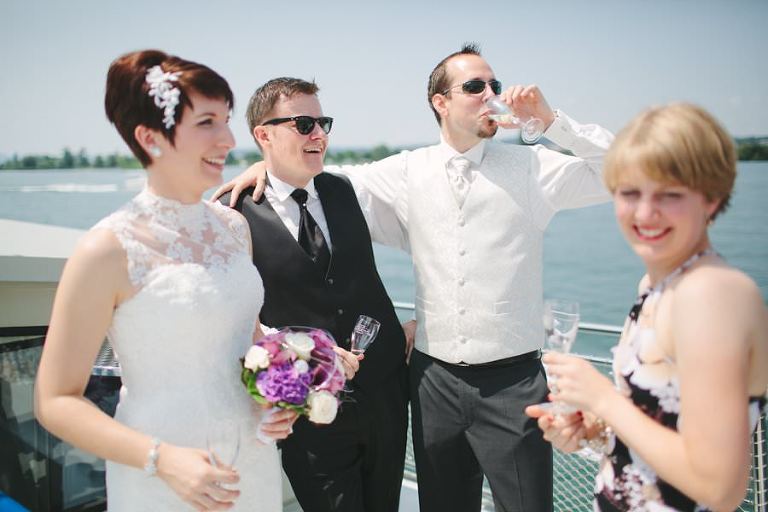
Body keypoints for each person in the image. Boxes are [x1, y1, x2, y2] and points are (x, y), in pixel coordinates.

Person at [213, 43, 615, 512]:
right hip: (431, 383)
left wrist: (551, 124)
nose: (491, 95)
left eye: (494, 86)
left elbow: (623, 172)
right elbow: (302, 177)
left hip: (514, 384)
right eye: (474, 86)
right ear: (440, 102)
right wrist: (265, 161)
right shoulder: (401, 173)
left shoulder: (534, 167)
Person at [33, 49, 303, 511]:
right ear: (149, 136)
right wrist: (163, 460)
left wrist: (277, 396)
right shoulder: (107, 249)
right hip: (163, 479)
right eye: (207, 123)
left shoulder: (233, 229)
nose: (228, 138)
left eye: (227, 120)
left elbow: (248, 341)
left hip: (250, 465)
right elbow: (55, 400)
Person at [526, 103, 768, 511]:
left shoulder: (713, 293)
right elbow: (656, 425)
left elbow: (720, 488)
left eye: (669, 195)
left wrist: (603, 399)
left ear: (712, 198)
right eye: (630, 192)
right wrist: (592, 430)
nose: (644, 212)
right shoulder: (655, 286)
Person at [217, 77, 410, 512]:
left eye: (323, 122)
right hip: (308, 411)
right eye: (304, 123)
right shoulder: (234, 214)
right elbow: (234, 320)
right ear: (264, 134)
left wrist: (421, 324)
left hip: (385, 395)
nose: (319, 134)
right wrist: (305, 355)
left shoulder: (348, 190)